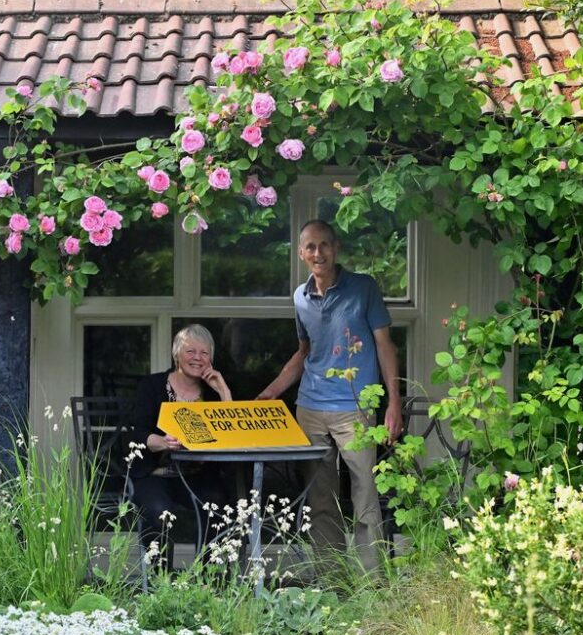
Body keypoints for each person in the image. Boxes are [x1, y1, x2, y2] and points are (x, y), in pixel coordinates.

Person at [256, 219, 402, 573]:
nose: (317, 253)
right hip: (310, 407)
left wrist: (393, 403)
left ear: (335, 248)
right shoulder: (300, 298)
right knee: (321, 498)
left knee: (365, 493)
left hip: (355, 406)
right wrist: (271, 393)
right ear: (301, 253)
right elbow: (305, 351)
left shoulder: (363, 288)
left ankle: (372, 581)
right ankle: (332, 579)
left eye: (324, 245)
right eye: (310, 246)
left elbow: (385, 346)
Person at [130, 324, 232, 567]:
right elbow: (138, 433)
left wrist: (224, 392)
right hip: (155, 474)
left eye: (204, 353)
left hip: (198, 475)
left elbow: (231, 431)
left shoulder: (211, 390)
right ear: (177, 354)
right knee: (158, 512)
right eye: (190, 351)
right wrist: (162, 442)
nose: (197, 358)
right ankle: (160, 581)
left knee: (218, 509)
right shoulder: (152, 386)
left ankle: (208, 580)